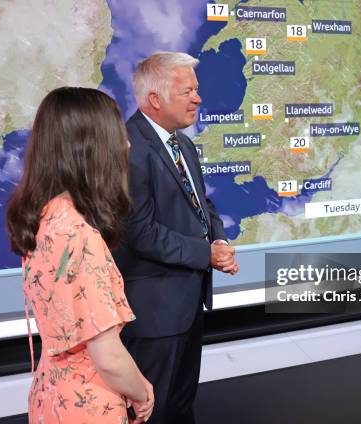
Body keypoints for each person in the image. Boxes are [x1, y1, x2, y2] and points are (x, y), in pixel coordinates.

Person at [6, 87, 154, 423]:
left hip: (51, 395)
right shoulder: (80, 237)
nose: (127, 145)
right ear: (90, 149)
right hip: (88, 404)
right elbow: (109, 358)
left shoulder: (44, 218)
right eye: (117, 135)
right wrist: (142, 391)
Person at [112, 51, 239, 423]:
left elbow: (204, 204)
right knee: (153, 412)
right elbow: (139, 231)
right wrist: (206, 255)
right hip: (153, 314)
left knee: (181, 407)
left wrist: (218, 241)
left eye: (196, 90)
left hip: (185, 306)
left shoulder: (182, 144)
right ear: (155, 99)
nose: (198, 98)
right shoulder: (128, 148)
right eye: (188, 91)